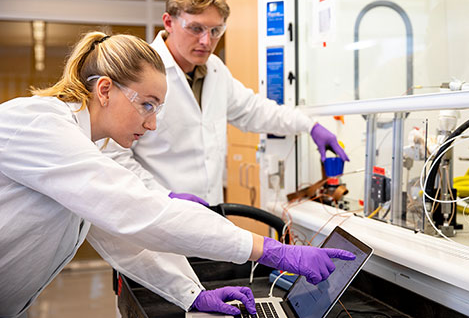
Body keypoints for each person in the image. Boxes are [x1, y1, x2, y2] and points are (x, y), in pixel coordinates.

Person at [0, 31, 355, 318]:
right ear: (105, 90)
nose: (152, 123)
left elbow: (123, 239)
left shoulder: (90, 146)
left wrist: (192, 294)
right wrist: (272, 251)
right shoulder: (40, 124)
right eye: (147, 105)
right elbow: (138, 214)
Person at [102, 0, 349, 206]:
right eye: (196, 29)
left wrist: (309, 126)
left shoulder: (215, 70)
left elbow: (255, 111)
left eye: (215, 31)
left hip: (209, 214)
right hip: (158, 215)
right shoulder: (136, 72)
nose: (206, 42)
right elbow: (114, 157)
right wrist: (163, 196)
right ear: (169, 22)